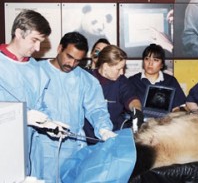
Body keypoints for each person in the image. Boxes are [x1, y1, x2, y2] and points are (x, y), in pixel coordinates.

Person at [0, 10, 70, 180]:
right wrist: (20, 116)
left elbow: (40, 105)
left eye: (41, 42)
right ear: (18, 32)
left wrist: (48, 123)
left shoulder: (36, 69)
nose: (38, 48)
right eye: (34, 40)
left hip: (26, 150)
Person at [37, 32, 116, 182]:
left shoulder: (85, 79)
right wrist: (45, 123)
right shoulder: (37, 72)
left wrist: (104, 129)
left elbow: (96, 109)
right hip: (43, 149)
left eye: (77, 61)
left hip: (73, 148)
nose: (71, 64)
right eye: (69, 57)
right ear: (59, 48)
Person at [84, 45, 143, 144]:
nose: (122, 72)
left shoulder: (122, 81)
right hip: (84, 139)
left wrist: (137, 112)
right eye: (118, 69)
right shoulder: (86, 78)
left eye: (123, 68)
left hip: (111, 138)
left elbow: (132, 99)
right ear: (106, 66)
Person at [129, 44, 186, 111]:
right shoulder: (133, 81)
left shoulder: (170, 81)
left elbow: (181, 105)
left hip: (166, 119)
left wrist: (175, 114)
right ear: (143, 61)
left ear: (162, 64)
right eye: (147, 59)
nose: (150, 63)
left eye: (155, 60)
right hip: (141, 119)